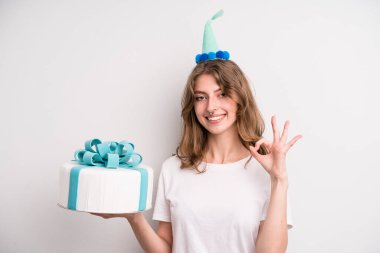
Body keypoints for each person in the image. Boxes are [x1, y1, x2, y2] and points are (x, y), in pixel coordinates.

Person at [92, 10, 302, 253]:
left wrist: (279, 179)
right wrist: (134, 217)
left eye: (222, 94)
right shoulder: (173, 168)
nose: (211, 107)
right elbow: (166, 249)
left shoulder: (266, 170)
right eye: (201, 97)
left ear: (239, 99)